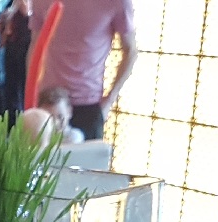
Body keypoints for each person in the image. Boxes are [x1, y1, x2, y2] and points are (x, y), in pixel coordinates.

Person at [28, 0, 137, 141]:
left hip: (88, 105)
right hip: (47, 102)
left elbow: (130, 51)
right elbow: (35, 45)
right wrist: (31, 97)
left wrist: (108, 102)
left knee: (88, 155)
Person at [0, 0, 32, 120]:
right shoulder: (12, 3)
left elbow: (29, 14)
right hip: (12, 46)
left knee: (24, 89)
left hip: (26, 48)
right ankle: (11, 122)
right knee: (10, 91)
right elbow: (0, 25)